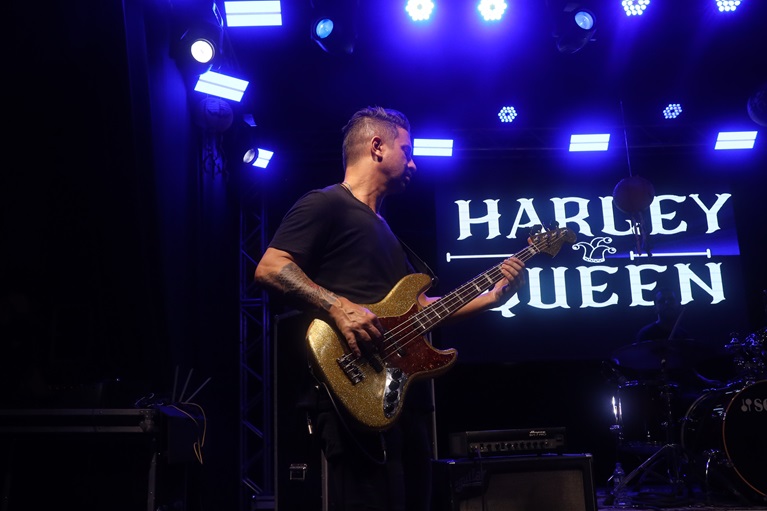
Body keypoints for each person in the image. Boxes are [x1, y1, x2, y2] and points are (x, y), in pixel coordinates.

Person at [254, 106, 526, 511]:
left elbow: (420, 310)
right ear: (377, 147)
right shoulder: (326, 203)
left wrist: (492, 297)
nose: (414, 164)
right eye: (407, 151)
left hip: (399, 395)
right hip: (351, 386)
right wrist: (338, 306)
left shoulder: (387, 231)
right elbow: (271, 267)